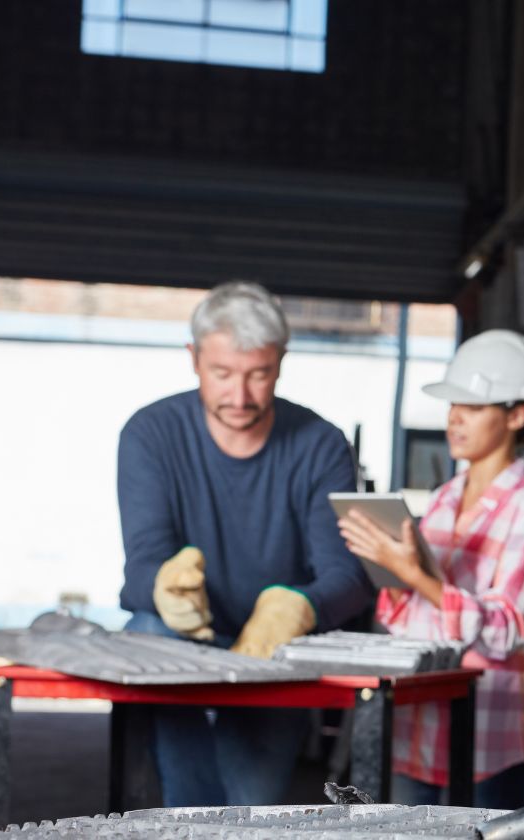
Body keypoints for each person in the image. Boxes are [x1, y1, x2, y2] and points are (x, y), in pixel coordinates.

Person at [117, 280, 373, 806]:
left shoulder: (321, 444)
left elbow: (347, 576)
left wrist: (303, 605)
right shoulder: (149, 434)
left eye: (258, 375)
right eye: (222, 374)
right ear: (193, 359)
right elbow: (141, 568)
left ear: (280, 361)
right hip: (183, 643)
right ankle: (184, 814)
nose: (240, 396)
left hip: (273, 651)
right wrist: (165, 589)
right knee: (148, 629)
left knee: (250, 812)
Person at [338, 329, 524, 810]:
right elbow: (412, 622)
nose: (454, 418)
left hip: (492, 738)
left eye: (473, 406)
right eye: (452, 405)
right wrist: (392, 574)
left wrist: (419, 577)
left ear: (517, 415)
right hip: (418, 727)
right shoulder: (442, 501)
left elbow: (505, 631)